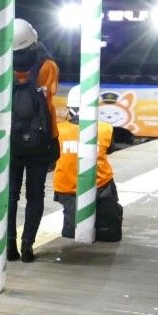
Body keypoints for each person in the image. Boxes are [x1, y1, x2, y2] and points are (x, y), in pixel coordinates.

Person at [8, 18, 60, 263]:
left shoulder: (3, 67)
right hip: (40, 141)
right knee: (35, 194)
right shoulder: (47, 66)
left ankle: (8, 245)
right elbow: (49, 100)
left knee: (10, 195)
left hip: (10, 141)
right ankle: (27, 244)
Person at [53, 85, 121, 240]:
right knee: (107, 232)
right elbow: (109, 149)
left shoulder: (59, 130)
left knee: (71, 231)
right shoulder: (105, 129)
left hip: (67, 188)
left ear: (70, 109)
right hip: (101, 186)